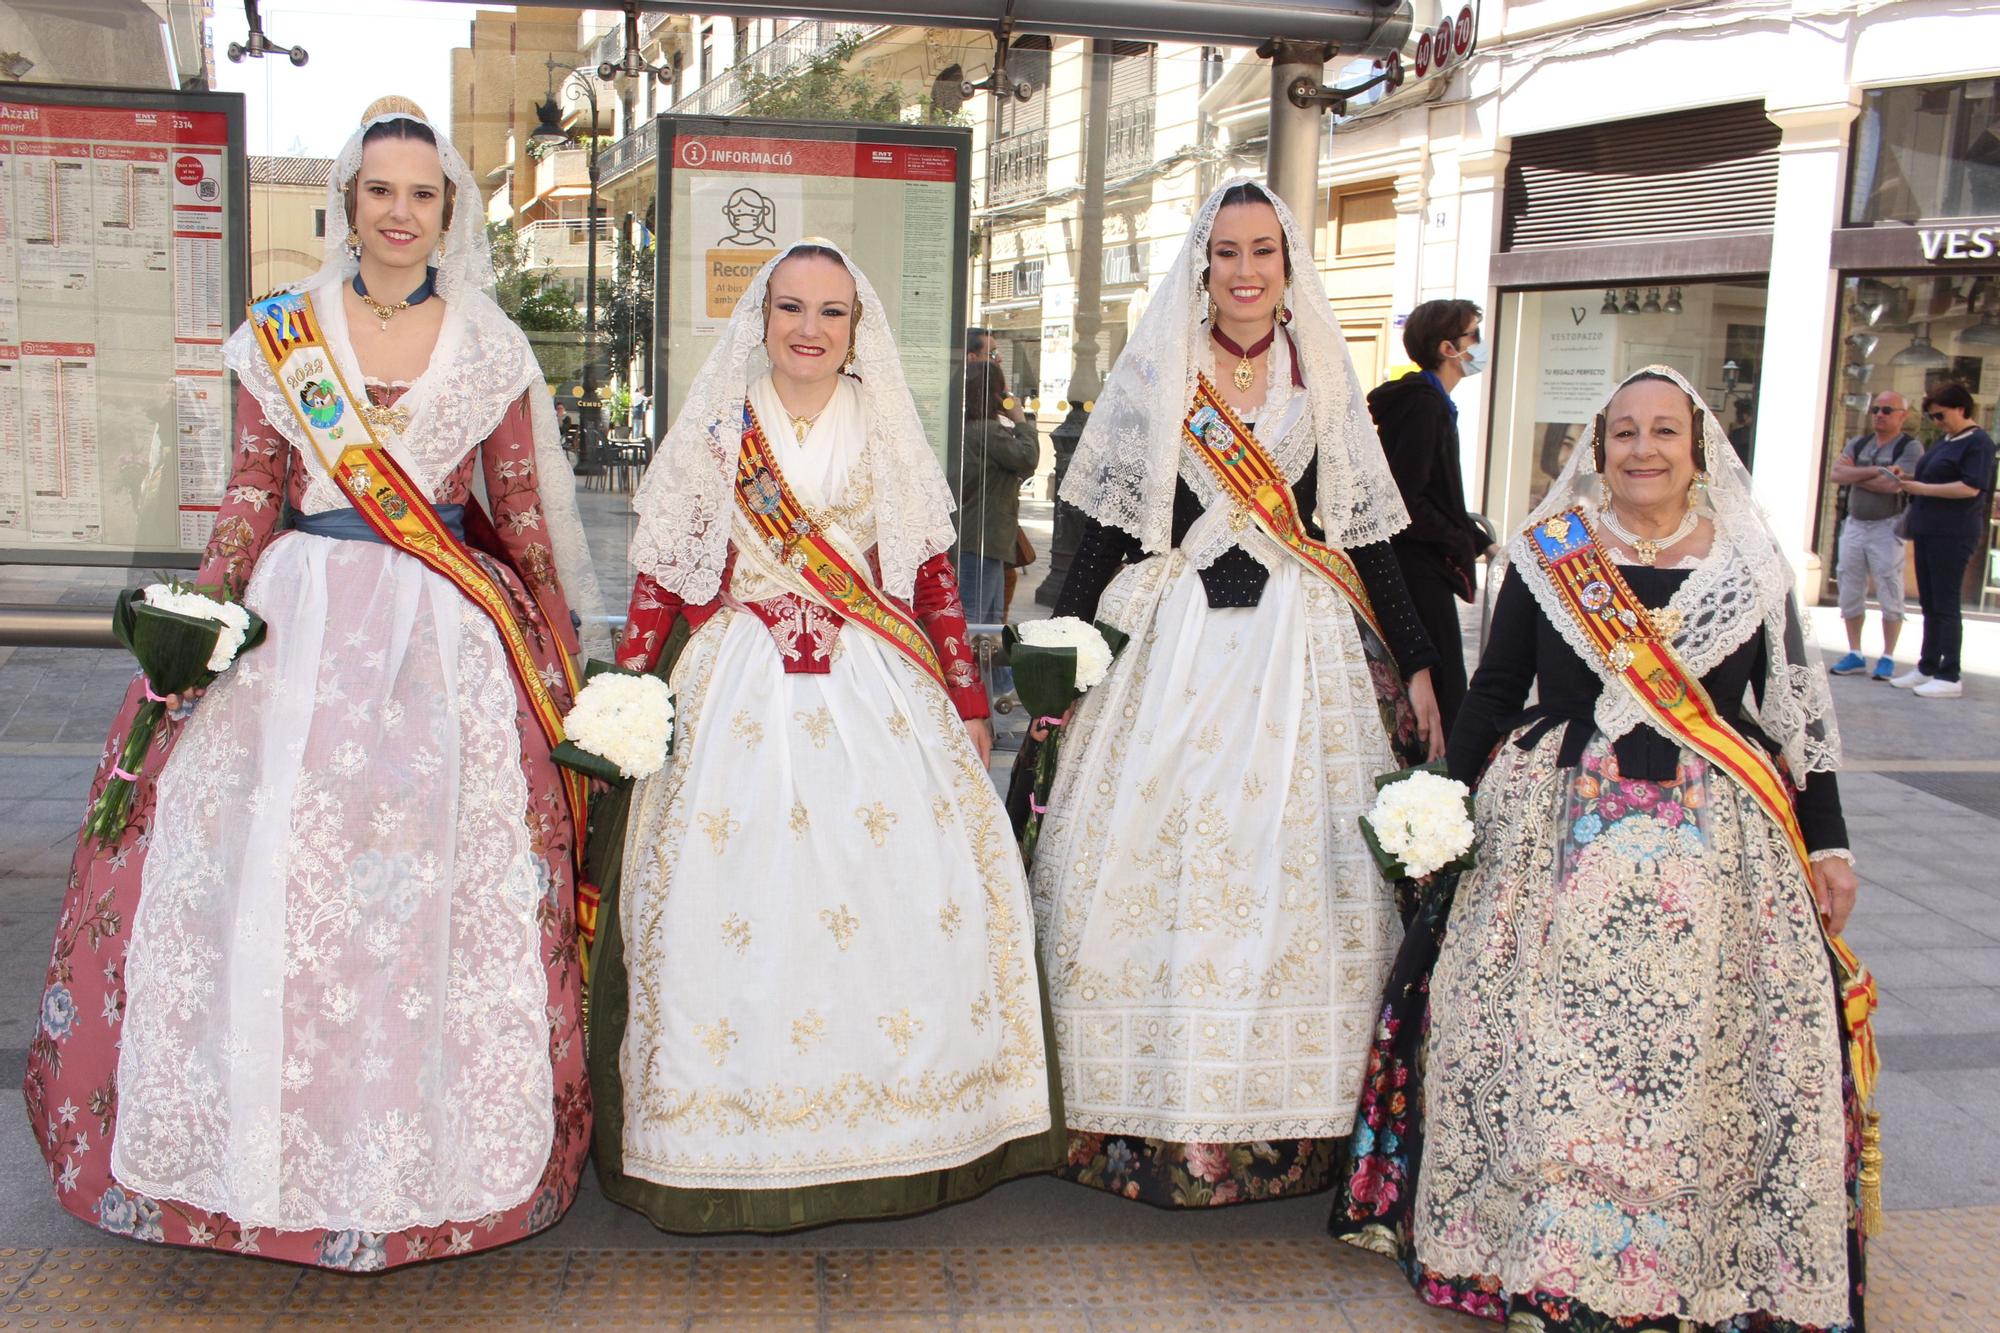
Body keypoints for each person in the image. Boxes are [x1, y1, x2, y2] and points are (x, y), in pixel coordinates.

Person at [24, 97, 609, 1269]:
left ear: (448, 212)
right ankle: (252, 1159)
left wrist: (558, 660)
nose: (400, 213)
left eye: (423, 194)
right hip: (293, 628)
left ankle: (421, 1159)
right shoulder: (281, 331)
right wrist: (198, 629)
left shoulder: (489, 341)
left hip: (443, 640)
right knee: (266, 876)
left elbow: (525, 519)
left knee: (425, 891)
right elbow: (251, 488)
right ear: (348, 202)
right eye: (380, 191)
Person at [1332, 366, 1868, 1332]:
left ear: (1697, 446)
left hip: (1715, 841)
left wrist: (1828, 843)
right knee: (1544, 1044)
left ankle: (1694, 1259)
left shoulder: (1748, 561)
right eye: (1624, 432)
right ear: (1597, 446)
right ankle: (1547, 1249)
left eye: (1666, 430)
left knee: (1698, 1050)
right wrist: (1440, 799)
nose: (1645, 449)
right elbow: (1496, 692)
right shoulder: (1551, 554)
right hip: (1553, 831)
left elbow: (1796, 720)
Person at [596, 241, 1063, 1232]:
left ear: (857, 328)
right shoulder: (718, 427)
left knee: (891, 896)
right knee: (728, 903)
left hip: (871, 687)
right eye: (791, 308)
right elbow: (661, 570)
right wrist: (630, 688)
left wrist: (965, 694)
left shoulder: (886, 426)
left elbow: (929, 575)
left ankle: (895, 1129)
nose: (809, 329)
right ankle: (722, 1134)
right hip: (735, 690)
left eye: (831, 313)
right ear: (761, 317)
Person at [1027, 178, 1441, 1208]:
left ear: (1287, 264)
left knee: (1293, 869)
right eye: (1225, 252)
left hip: (1297, 659)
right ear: (1200, 264)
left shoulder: (1324, 378)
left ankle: (1282, 1120)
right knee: (1142, 855)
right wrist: (1063, 654)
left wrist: (1420, 661)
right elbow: (1108, 531)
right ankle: (1134, 1109)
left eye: (1262, 251)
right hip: (1165, 648)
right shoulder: (1157, 368)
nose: (1245, 270)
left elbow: (1366, 532)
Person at [1370, 298, 1490, 733]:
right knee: (1442, 689)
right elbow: (1406, 498)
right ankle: (1436, 785)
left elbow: (1434, 495)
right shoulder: (1424, 405)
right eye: (1473, 335)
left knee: (1443, 684)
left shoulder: (1431, 401)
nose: (1480, 344)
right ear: (1448, 348)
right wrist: (1457, 541)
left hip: (1423, 563)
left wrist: (1476, 540)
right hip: (1417, 569)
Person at [1892, 381, 1996, 699]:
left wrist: (1921, 488)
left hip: (1953, 532)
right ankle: (1927, 665)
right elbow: (1932, 478)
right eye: (1932, 417)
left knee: (1947, 603)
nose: (1937, 422)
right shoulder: (1946, 440)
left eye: (1940, 415)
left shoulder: (1978, 443)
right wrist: (1906, 479)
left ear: (1961, 409)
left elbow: (1970, 487)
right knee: (1930, 603)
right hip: (1929, 528)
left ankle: (1950, 673)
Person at [1827, 391, 1921, 680]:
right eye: (1876, 409)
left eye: (1888, 410)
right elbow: (1837, 474)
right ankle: (1855, 653)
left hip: (1886, 525)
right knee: (1849, 587)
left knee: (1888, 589)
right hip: (1855, 524)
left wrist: (1858, 474)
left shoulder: (1910, 447)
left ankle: (1888, 655)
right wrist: (1876, 471)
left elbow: (1893, 486)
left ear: (1902, 415)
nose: (1880, 414)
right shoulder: (1860, 442)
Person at [950, 358, 1040, 627]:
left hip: (982, 536)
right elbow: (1028, 457)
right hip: (983, 537)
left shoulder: (968, 429)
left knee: (992, 618)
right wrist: (1021, 420)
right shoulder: (987, 432)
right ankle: (971, 669)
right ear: (995, 394)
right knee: (978, 618)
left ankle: (994, 670)